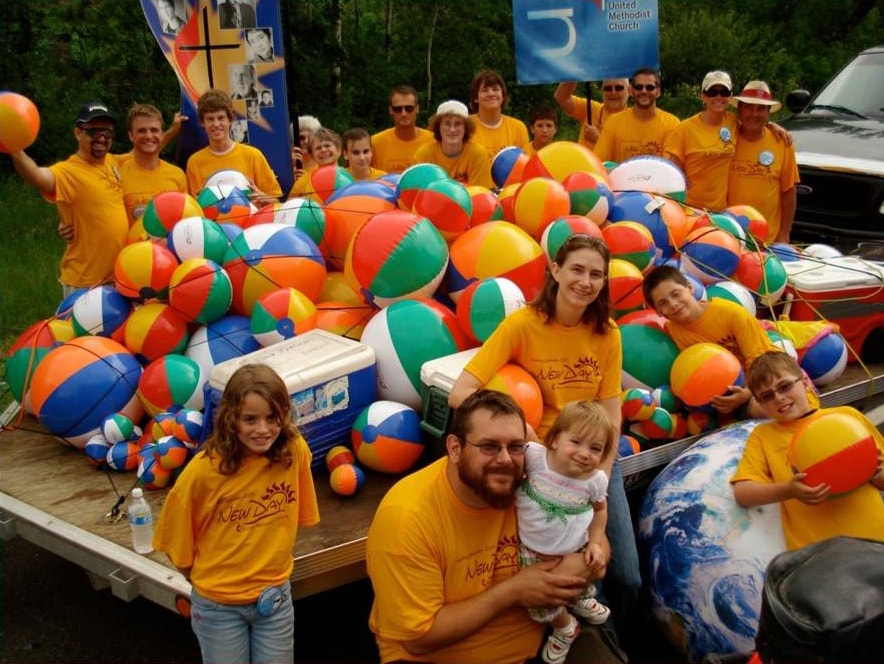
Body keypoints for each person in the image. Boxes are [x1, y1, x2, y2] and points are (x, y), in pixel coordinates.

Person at [447, 234, 641, 646]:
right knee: (552, 566)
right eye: (576, 269)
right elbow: (461, 392)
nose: (585, 282)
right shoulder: (522, 324)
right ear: (554, 270)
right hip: (542, 463)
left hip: (594, 462)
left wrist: (599, 485)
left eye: (596, 275)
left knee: (621, 573)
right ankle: (571, 637)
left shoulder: (607, 333)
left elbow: (611, 415)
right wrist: (522, 430)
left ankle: (610, 643)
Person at [366, 389, 602, 663]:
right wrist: (513, 591)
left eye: (515, 447)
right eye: (489, 446)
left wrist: (585, 560)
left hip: (543, 647)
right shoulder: (406, 518)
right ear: (455, 448)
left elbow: (596, 536)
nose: (504, 459)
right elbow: (420, 640)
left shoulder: (532, 485)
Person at [153, 363, 320, 663]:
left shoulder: (294, 453)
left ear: (285, 413)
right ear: (231, 418)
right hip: (219, 607)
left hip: (275, 599)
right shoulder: (202, 473)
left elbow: (297, 518)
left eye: (272, 417)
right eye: (249, 419)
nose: (263, 429)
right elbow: (175, 545)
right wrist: (214, 586)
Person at [730, 350, 884, 550]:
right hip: (816, 557)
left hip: (876, 541)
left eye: (784, 386)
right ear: (759, 404)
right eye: (767, 396)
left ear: (804, 381)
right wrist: (789, 490)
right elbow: (743, 493)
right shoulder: (763, 436)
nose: (779, 398)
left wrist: (875, 472)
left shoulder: (848, 417)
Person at [518, 400, 614, 664]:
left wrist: (596, 542)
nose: (585, 454)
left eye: (595, 448)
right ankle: (566, 627)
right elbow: (519, 429)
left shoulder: (595, 481)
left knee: (581, 575)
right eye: (577, 442)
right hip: (532, 550)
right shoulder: (535, 457)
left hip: (575, 546)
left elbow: (600, 510)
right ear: (554, 440)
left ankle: (581, 599)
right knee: (542, 600)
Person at [8, 100, 127, 296]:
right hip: (84, 283)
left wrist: (173, 130)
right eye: (94, 131)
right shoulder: (67, 172)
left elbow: (146, 149)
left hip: (116, 279)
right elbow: (37, 176)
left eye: (107, 132)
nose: (102, 137)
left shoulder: (114, 162)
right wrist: (14, 149)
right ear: (78, 133)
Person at [727, 80, 799, 244]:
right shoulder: (726, 138)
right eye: (749, 107)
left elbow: (789, 191)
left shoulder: (782, 143)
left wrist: (785, 234)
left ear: (768, 113)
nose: (754, 114)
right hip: (729, 236)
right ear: (739, 109)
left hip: (768, 241)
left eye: (761, 108)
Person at [185, 89, 282, 205]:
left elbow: (277, 201)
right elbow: (195, 208)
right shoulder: (195, 162)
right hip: (214, 223)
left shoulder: (253, 155)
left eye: (221, 118)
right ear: (202, 122)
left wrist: (263, 197)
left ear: (230, 120)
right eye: (210, 119)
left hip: (251, 221)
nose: (216, 124)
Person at [663, 70, 738, 211]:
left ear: (730, 96)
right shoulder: (684, 129)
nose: (718, 97)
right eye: (712, 92)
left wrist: (774, 126)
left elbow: (755, 123)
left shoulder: (733, 122)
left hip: (721, 211)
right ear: (703, 96)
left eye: (724, 92)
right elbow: (671, 172)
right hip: (691, 209)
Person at [116, 103, 187, 225]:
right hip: (132, 244)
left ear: (161, 133)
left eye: (154, 130)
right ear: (131, 136)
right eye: (141, 131)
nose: (149, 136)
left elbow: (187, 218)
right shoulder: (117, 174)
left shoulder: (177, 175)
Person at [593, 68, 680, 164]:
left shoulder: (672, 124)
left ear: (658, 92)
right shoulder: (613, 122)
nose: (644, 91)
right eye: (638, 87)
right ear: (630, 90)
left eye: (649, 87)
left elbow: (671, 167)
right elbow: (598, 162)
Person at [413, 100, 494, 189]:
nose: (452, 129)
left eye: (458, 124)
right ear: (438, 127)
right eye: (447, 124)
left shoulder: (478, 154)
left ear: (466, 128)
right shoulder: (424, 155)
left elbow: (480, 194)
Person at [370, 84, 434, 173]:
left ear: (417, 109)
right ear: (390, 110)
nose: (404, 113)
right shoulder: (376, 143)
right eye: (398, 109)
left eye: (409, 108)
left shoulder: (433, 141)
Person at [469, 70, 531, 160]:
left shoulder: (518, 128)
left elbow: (525, 166)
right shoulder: (465, 126)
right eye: (484, 90)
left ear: (503, 96)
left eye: (495, 89)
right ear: (475, 98)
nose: (491, 94)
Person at [554, 79, 630, 153]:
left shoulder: (634, 117)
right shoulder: (591, 108)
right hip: (585, 165)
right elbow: (561, 97)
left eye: (619, 88)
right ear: (602, 91)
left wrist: (598, 139)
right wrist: (576, 72)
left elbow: (629, 154)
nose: (613, 92)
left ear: (629, 91)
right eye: (608, 88)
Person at [287, 127, 343, 200]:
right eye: (318, 148)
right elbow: (289, 207)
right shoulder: (303, 182)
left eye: (327, 145)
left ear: (339, 150)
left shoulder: (349, 175)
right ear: (312, 155)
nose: (323, 150)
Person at [292, 115, 322, 179]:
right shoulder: (288, 168)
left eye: (310, 137)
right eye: (301, 138)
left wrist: (305, 181)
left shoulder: (325, 164)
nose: (306, 141)